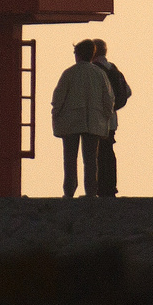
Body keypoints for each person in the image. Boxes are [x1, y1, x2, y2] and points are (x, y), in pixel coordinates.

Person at [51, 38, 114, 198]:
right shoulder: (100, 74)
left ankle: (69, 192)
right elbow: (108, 100)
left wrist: (56, 114)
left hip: (70, 122)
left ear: (77, 54)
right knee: (91, 161)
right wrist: (106, 117)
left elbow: (58, 98)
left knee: (70, 160)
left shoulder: (69, 73)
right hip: (94, 123)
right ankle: (91, 192)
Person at [91, 39, 131, 197]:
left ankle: (101, 188)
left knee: (97, 154)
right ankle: (110, 187)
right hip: (112, 119)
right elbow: (127, 92)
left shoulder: (94, 70)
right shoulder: (114, 69)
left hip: (97, 118)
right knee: (108, 152)